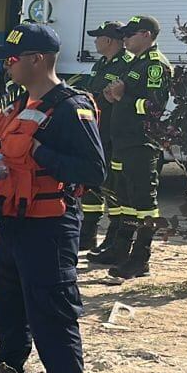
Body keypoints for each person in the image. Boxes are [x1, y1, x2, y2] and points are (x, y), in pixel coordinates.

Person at [0, 23, 105, 373]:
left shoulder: (71, 107)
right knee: (8, 301)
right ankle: (7, 372)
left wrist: (35, 151)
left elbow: (92, 171)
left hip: (50, 226)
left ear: (37, 60)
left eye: (12, 59)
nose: (7, 66)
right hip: (14, 221)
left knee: (52, 314)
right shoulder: (20, 104)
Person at [90, 15, 171, 279]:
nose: (125, 39)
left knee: (144, 202)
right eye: (124, 35)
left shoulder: (155, 65)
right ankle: (120, 250)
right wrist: (114, 97)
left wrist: (123, 98)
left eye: (130, 34)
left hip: (141, 142)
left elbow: (154, 106)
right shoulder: (135, 62)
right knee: (124, 201)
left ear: (147, 35)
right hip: (122, 141)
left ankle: (140, 259)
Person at [70, 21, 131, 251]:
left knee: (113, 185)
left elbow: (113, 98)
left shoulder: (125, 64)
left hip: (113, 133)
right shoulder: (101, 63)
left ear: (109, 40)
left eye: (98, 37)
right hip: (96, 131)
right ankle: (88, 233)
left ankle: (115, 236)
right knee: (92, 181)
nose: (95, 41)